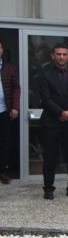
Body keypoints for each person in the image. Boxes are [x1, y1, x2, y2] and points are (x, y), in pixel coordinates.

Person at [39, 43, 68, 200]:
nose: (61, 57)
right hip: (51, 122)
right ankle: (48, 188)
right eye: (58, 54)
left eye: (64, 54)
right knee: (50, 156)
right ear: (53, 56)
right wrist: (60, 112)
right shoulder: (45, 74)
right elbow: (45, 99)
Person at [0, 39, 20, 184]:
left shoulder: (10, 68)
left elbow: (16, 88)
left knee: (4, 142)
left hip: (4, 110)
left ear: (2, 50)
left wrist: (15, 107)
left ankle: (2, 171)